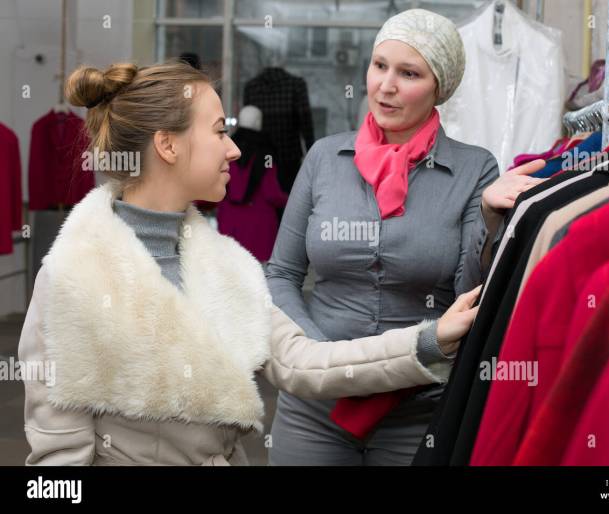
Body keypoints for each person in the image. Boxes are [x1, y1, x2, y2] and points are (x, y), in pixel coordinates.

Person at [17, 61, 482, 466]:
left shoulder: (227, 267)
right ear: (168, 146)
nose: (235, 148)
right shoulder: (75, 276)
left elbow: (306, 364)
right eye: (220, 130)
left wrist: (428, 341)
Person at [265, 8, 545, 466]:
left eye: (408, 73)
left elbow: (467, 294)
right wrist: (318, 357)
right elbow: (282, 273)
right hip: (316, 405)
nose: (385, 86)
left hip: (416, 409)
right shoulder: (323, 159)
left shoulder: (475, 169)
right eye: (379, 66)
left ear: (440, 87)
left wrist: (489, 218)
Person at [216, 105, 288, 262]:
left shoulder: (225, 149)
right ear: (258, 122)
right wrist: (290, 199)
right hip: (259, 229)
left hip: (230, 224)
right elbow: (271, 193)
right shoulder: (266, 153)